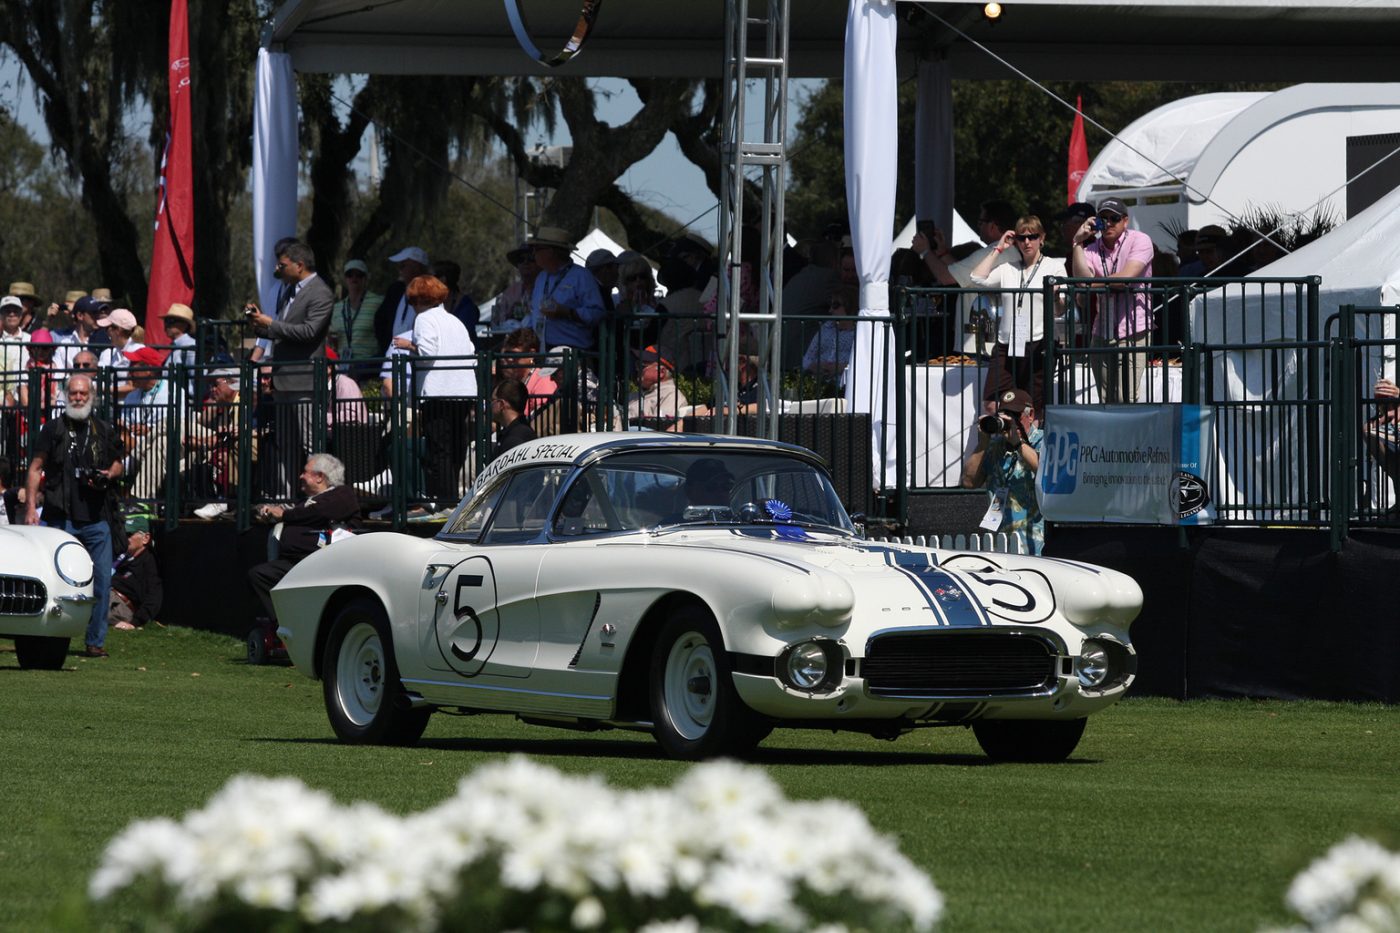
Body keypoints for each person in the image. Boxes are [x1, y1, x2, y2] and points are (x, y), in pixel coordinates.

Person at [24, 373, 124, 657]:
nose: (78, 398)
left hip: (96, 518)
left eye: (83, 393)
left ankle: (95, 642)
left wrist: (108, 474)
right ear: (65, 395)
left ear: (91, 396)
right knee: (52, 580)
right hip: (59, 518)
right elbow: (35, 468)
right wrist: (31, 508)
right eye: (73, 393)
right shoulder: (52, 429)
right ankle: (48, 635)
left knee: (103, 580)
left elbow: (119, 462)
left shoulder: (103, 429)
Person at [247, 241, 335, 491]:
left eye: (282, 264)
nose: (278, 268)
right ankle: (286, 497)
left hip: (305, 379)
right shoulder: (289, 289)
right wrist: (260, 324)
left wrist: (271, 323)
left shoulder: (320, 292)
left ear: (300, 265)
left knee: (310, 443)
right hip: (284, 378)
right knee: (285, 442)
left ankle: (318, 497)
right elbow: (285, 330)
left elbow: (309, 332)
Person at [392, 274, 477, 517]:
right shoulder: (454, 320)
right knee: (456, 445)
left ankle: (445, 501)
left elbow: (427, 353)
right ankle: (453, 499)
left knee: (439, 448)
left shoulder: (424, 319)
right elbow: (470, 350)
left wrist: (408, 346)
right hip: (464, 390)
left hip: (438, 391)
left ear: (417, 300)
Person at [969, 215, 1068, 414]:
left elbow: (1061, 309)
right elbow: (976, 278)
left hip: (1039, 343)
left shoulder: (1054, 266)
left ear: (1042, 238)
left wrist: (1056, 297)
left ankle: (1028, 444)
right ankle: (1004, 442)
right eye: (1021, 238)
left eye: (1032, 236)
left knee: (1034, 407)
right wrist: (999, 247)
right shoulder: (1008, 268)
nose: (1027, 242)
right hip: (1008, 342)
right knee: (991, 403)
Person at [247, 453, 358, 625]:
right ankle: (285, 624)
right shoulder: (303, 502)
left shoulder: (342, 495)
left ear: (320, 477)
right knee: (260, 574)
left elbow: (320, 512)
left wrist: (284, 514)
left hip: (324, 563)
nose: (300, 476)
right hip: (294, 563)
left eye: (305, 472)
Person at [1071, 197, 1156, 403]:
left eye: (1114, 218)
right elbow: (1081, 280)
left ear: (1125, 221)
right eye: (1103, 219)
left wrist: (1091, 285)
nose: (1108, 223)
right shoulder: (1090, 249)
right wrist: (1077, 242)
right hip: (1102, 330)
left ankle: (1129, 436)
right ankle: (1110, 436)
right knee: (1106, 399)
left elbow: (1126, 279)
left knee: (1125, 396)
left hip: (1134, 330)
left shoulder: (1140, 240)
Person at [960, 387, 1045, 555]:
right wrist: (983, 443)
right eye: (1005, 417)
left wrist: (1018, 444)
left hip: (1034, 544)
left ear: (1031, 415)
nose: (1011, 423)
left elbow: (1046, 472)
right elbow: (968, 482)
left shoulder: (1043, 440)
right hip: (999, 543)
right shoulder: (994, 446)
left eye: (1016, 416)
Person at [526, 226, 606, 352]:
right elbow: (535, 312)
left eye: (537, 249)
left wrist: (567, 312)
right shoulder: (541, 277)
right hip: (542, 350)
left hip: (573, 352)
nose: (533, 253)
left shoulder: (582, 276)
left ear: (551, 251)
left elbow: (597, 314)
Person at [328, 258, 383, 381]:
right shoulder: (337, 308)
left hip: (369, 368)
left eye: (359, 275)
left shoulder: (378, 302)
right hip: (343, 368)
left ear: (365, 279)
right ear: (345, 279)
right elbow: (331, 338)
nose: (354, 278)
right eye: (349, 275)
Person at [109, 511, 162, 631]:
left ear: (145, 538)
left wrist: (135, 622)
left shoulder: (149, 562)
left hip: (120, 605)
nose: (125, 538)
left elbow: (154, 596)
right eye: (124, 534)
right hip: (112, 598)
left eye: (129, 534)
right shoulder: (124, 557)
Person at [373, 245, 430, 356]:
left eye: (403, 266)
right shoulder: (396, 291)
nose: (399, 269)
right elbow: (380, 320)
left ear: (416, 267)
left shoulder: (429, 294)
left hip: (416, 357)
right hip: (393, 355)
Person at [802, 286, 858, 386]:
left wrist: (840, 367)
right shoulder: (825, 328)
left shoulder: (858, 334)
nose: (830, 310)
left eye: (835, 305)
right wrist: (814, 366)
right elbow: (807, 358)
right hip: (818, 383)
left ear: (849, 306)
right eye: (831, 305)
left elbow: (864, 365)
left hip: (844, 385)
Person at [497, 328, 556, 415]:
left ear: (531, 354)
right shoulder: (508, 380)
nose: (507, 359)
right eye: (505, 354)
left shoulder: (543, 381)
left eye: (513, 354)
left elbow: (543, 418)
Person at [1363, 377, 1400, 514]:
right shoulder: (1379, 420)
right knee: (1395, 468)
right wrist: (1385, 418)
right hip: (1392, 458)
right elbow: (1366, 430)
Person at [626, 344, 688, 427]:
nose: (637, 369)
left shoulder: (671, 396)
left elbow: (659, 430)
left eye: (642, 366)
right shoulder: (636, 395)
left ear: (661, 372)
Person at [492, 243, 538, 334]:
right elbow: (500, 322)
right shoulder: (510, 292)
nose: (526, 262)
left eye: (531, 259)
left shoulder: (549, 287)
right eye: (521, 259)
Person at [490, 377, 535, 459]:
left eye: (493, 400)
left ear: (501, 404)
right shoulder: (518, 432)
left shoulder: (514, 439)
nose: (491, 405)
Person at [161, 302, 199, 397]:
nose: (167, 325)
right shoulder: (175, 347)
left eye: (172, 321)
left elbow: (196, 378)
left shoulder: (190, 346)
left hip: (185, 402)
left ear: (185, 325)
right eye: (166, 321)